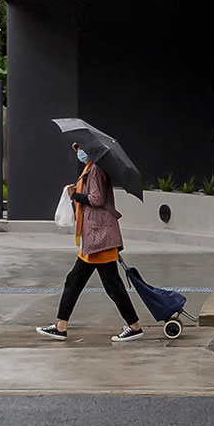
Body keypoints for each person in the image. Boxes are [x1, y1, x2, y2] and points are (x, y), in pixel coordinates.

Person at [36, 143, 143, 342]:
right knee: (77, 281)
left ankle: (134, 326)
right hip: (96, 238)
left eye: (79, 148)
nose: (78, 152)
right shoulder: (92, 167)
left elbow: (96, 199)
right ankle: (61, 326)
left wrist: (74, 195)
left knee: (109, 285)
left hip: (98, 238)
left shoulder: (95, 169)